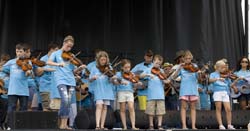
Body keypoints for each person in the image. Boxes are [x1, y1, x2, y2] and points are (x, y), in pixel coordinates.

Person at [47, 35, 86, 129]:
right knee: (65, 99)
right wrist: (58, 64)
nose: (69, 48)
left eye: (71, 47)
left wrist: (80, 68)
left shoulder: (70, 56)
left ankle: (64, 124)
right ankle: (61, 120)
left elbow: (73, 71)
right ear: (64, 43)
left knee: (68, 102)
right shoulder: (56, 53)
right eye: (68, 46)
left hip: (71, 81)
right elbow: (48, 62)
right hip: (61, 80)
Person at [2, 43, 33, 129]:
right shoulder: (11, 62)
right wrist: (8, 76)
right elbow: (3, 69)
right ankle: (9, 126)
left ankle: (21, 126)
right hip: (13, 89)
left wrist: (28, 73)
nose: (19, 53)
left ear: (24, 52)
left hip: (23, 90)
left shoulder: (28, 61)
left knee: (23, 108)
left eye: (20, 51)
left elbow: (30, 73)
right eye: (17, 51)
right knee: (11, 108)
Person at [172, 50, 199, 129]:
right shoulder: (182, 67)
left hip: (193, 89)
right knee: (183, 107)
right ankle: (184, 125)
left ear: (191, 58)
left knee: (193, 108)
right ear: (183, 59)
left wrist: (200, 73)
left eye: (189, 58)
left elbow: (198, 78)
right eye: (186, 58)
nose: (188, 60)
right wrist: (179, 68)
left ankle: (193, 126)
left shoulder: (195, 66)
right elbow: (173, 77)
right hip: (184, 90)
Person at [89, 51, 115, 130]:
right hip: (98, 89)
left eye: (105, 60)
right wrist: (93, 77)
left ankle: (102, 125)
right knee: (99, 106)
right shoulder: (94, 68)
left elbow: (111, 80)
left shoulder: (109, 68)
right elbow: (90, 80)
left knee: (105, 107)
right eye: (102, 60)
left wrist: (112, 78)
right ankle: (97, 125)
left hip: (107, 90)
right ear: (98, 60)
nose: (103, 61)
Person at [141, 54, 168, 130]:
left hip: (160, 94)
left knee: (160, 111)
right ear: (153, 61)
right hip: (151, 94)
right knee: (150, 111)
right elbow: (141, 75)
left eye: (159, 64)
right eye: (156, 63)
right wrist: (148, 74)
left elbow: (164, 81)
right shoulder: (149, 69)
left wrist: (167, 81)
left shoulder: (161, 71)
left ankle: (159, 125)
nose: (158, 65)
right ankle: (151, 125)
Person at [112, 59, 140, 130]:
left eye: (129, 67)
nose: (128, 69)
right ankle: (124, 126)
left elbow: (134, 85)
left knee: (131, 107)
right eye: (126, 67)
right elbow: (114, 82)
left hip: (130, 92)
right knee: (122, 109)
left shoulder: (132, 74)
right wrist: (117, 80)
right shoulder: (118, 74)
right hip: (121, 92)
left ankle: (133, 126)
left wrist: (137, 83)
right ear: (122, 67)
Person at [209, 60, 236, 129]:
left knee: (228, 109)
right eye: (223, 67)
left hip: (225, 92)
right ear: (218, 67)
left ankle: (229, 125)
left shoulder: (226, 74)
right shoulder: (213, 74)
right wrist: (218, 79)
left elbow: (230, 85)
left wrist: (236, 80)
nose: (225, 69)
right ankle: (220, 125)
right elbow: (210, 80)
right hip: (217, 92)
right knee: (218, 108)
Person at [39, 43, 59, 111]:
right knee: (46, 108)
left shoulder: (56, 60)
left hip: (55, 89)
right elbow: (40, 70)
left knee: (55, 109)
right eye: (56, 50)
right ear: (51, 49)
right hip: (45, 87)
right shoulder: (43, 59)